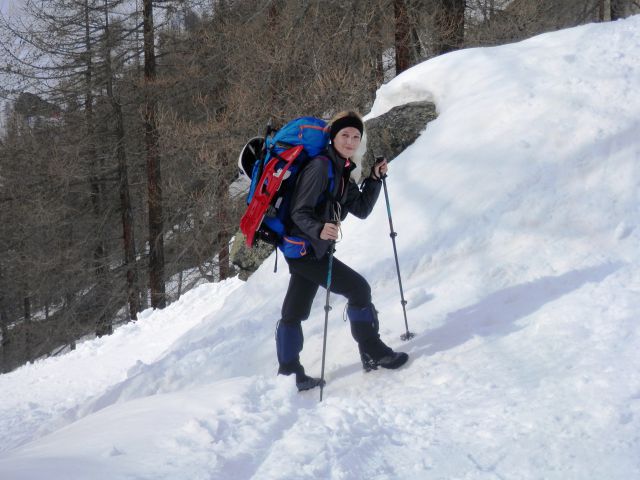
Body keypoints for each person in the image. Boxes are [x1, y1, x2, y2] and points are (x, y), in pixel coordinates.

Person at [275, 110, 409, 391]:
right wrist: (319, 229)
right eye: (345, 135)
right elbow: (300, 211)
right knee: (359, 290)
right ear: (333, 137)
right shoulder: (321, 168)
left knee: (294, 311)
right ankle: (372, 350)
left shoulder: (342, 170)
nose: (350, 141)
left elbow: (360, 209)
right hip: (305, 250)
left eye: (356, 136)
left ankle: (289, 374)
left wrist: (372, 179)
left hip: (312, 250)